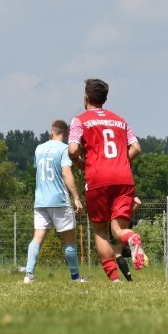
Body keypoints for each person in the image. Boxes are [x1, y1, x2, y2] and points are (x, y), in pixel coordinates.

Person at [68, 78, 145, 282]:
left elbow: (73, 149)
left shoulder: (80, 120)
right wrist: (118, 160)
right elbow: (136, 148)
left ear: (86, 97)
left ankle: (114, 279)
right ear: (104, 98)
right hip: (123, 178)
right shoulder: (120, 119)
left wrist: (78, 162)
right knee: (118, 230)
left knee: (100, 231)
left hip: (98, 179)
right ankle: (132, 238)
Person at [23, 120, 86, 283]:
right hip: (58, 200)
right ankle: (75, 277)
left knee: (37, 238)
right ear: (65, 134)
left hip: (40, 201)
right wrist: (76, 197)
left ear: (52, 131)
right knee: (69, 240)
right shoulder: (64, 149)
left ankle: (29, 274)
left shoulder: (39, 148)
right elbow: (66, 172)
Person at [110, 196, 142, 282]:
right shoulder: (127, 192)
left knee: (117, 254)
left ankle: (130, 280)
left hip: (116, 221)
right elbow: (138, 202)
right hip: (127, 219)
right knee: (121, 250)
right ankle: (134, 252)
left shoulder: (114, 195)